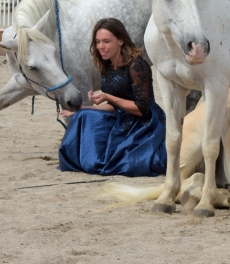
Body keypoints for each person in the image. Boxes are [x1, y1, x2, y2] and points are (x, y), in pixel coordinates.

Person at [58, 18, 167, 177]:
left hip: (144, 123)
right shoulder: (107, 66)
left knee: (128, 164)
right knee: (82, 116)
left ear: (121, 41)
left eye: (106, 41)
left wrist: (108, 96)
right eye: (98, 42)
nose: (101, 47)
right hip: (121, 117)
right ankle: (82, 159)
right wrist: (84, 108)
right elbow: (114, 106)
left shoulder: (137, 66)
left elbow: (142, 109)